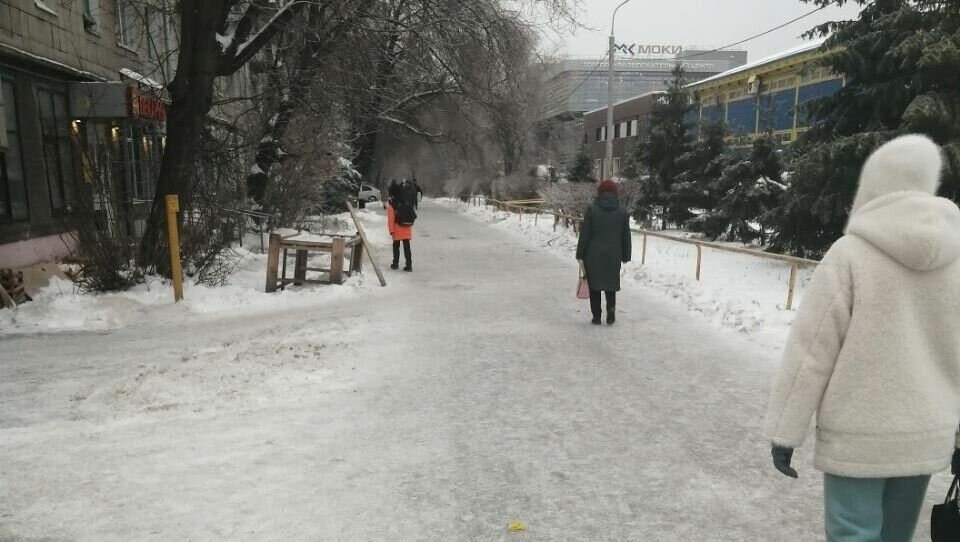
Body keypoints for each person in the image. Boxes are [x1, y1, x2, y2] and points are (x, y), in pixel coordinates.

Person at [764, 135, 960, 542]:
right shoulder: (954, 258)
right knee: (896, 536)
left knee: (853, 533)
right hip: (924, 432)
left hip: (857, 434)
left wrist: (786, 431)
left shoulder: (850, 254)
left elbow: (812, 350)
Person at [575, 179, 631, 325]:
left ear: (599, 193)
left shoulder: (592, 210)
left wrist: (580, 253)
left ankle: (597, 316)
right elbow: (626, 236)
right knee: (610, 284)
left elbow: (585, 234)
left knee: (594, 286)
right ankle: (611, 310)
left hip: (593, 254)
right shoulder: (622, 212)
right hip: (614, 254)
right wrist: (626, 255)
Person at [387, 181, 415, 272]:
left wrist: (391, 231)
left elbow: (391, 219)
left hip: (397, 228)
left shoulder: (392, 204)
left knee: (396, 247)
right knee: (407, 247)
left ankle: (395, 264)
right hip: (407, 227)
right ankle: (409, 265)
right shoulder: (407, 201)